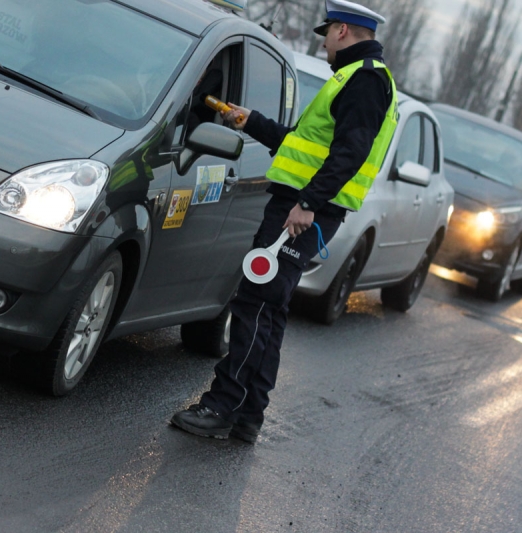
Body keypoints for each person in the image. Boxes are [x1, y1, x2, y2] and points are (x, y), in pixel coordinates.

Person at [170, 0, 398, 444]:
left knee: (254, 304)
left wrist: (308, 203)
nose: (327, 42)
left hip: (301, 212)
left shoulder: (365, 80)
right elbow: (304, 146)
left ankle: (221, 405)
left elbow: (349, 153)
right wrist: (250, 121)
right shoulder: (358, 78)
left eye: (328, 32)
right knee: (268, 310)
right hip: (302, 208)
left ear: (344, 32)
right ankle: (248, 413)